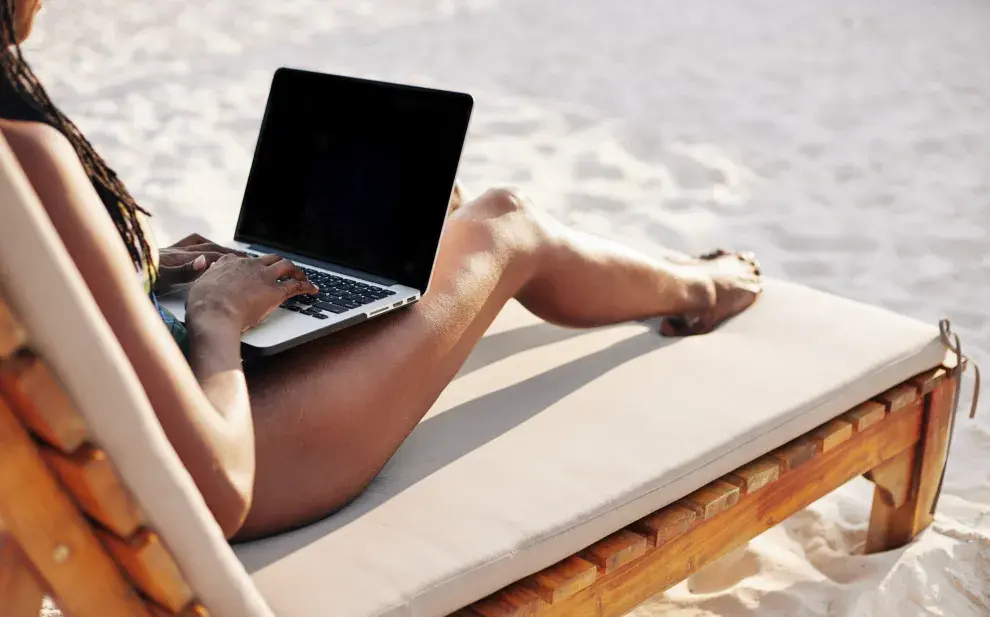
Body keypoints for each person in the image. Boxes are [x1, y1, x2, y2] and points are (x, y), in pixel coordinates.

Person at [0, 0, 761, 540]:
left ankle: (646, 267)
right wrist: (217, 317)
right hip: (226, 456)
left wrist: (141, 271)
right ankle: (702, 286)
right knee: (504, 221)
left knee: (431, 228)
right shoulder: (24, 159)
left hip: (125, 427)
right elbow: (213, 490)